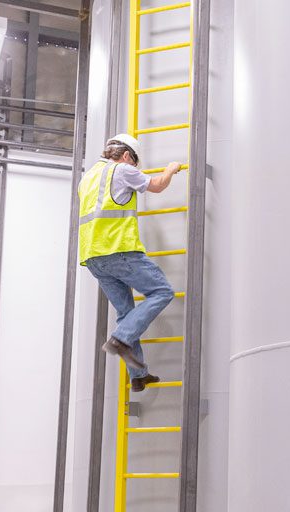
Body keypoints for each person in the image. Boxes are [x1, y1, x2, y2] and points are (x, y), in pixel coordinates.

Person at [78, 133, 183, 392]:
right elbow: (157, 184)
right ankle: (121, 339)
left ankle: (137, 375)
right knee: (161, 292)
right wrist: (171, 169)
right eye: (135, 162)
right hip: (120, 249)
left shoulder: (87, 178)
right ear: (126, 156)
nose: (135, 168)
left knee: (126, 313)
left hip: (93, 257)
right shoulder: (122, 170)